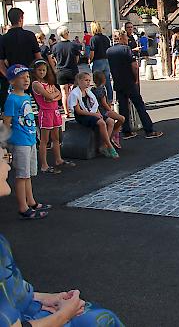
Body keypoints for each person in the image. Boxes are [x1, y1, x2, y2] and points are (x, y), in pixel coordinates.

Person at [0, 123, 124, 324]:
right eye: (3, 158)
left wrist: (49, 297)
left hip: (24, 310)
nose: (7, 166)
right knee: (100, 320)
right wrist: (64, 314)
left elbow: (11, 289)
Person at [2, 64, 50, 219]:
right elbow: (7, 122)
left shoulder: (26, 97)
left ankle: (31, 201)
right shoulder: (12, 99)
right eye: (21, 78)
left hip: (29, 139)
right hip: (19, 141)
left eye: (27, 77)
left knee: (28, 174)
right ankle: (23, 206)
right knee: (22, 175)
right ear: (11, 81)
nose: (26, 80)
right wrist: (4, 145)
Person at [106, 29, 163, 140]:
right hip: (129, 81)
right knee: (139, 106)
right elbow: (134, 66)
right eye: (126, 37)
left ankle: (126, 131)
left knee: (123, 107)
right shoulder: (126, 49)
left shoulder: (109, 51)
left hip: (118, 81)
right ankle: (149, 130)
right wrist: (136, 78)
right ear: (122, 38)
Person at [31, 60, 74, 174]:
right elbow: (49, 95)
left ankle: (58, 159)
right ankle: (44, 165)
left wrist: (53, 97)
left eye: (44, 70)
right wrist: (53, 96)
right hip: (45, 112)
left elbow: (58, 94)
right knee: (44, 140)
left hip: (54, 111)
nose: (42, 72)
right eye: (39, 70)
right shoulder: (36, 84)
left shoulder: (48, 82)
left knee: (56, 138)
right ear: (35, 71)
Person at [68, 72, 118, 159]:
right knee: (101, 123)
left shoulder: (88, 92)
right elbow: (78, 111)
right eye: (86, 80)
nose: (88, 82)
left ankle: (104, 145)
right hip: (82, 116)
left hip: (91, 112)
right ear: (79, 81)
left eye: (89, 80)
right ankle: (109, 146)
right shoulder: (75, 93)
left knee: (110, 121)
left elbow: (95, 105)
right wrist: (94, 114)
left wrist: (98, 113)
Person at [0, 8, 42, 106]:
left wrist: (9, 77)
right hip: (31, 75)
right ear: (21, 18)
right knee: (39, 104)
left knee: (17, 107)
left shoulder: (4, 38)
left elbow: (1, 64)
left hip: (14, 76)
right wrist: (40, 75)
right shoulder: (30, 35)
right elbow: (39, 58)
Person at [52, 26, 82, 118]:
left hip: (61, 71)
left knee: (64, 93)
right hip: (72, 70)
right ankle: (76, 110)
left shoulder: (55, 46)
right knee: (75, 92)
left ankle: (66, 112)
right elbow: (77, 58)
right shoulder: (74, 45)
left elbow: (55, 59)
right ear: (66, 34)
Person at [92, 71, 124, 149]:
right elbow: (104, 104)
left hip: (98, 110)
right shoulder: (102, 90)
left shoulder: (92, 89)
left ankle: (111, 136)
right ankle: (111, 136)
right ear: (104, 80)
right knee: (121, 119)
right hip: (104, 111)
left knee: (117, 119)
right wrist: (111, 110)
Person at [88, 21, 113, 104]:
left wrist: (89, 60)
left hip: (97, 61)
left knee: (98, 82)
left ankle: (99, 99)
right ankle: (110, 99)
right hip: (106, 60)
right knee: (107, 81)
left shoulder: (93, 39)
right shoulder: (106, 38)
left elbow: (92, 52)